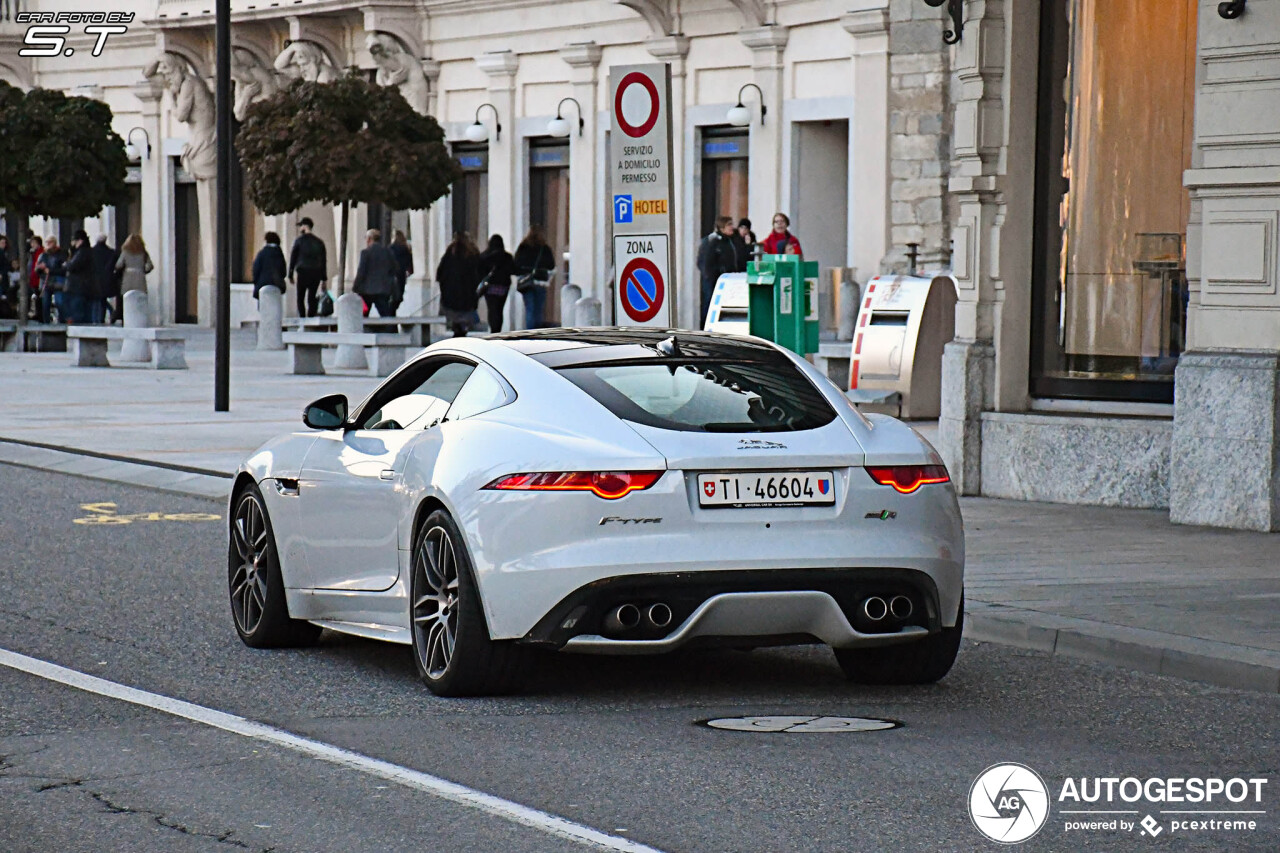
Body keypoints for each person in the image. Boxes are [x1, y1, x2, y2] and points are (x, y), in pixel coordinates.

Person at [435, 233, 481, 337]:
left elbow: (440, 274)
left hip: (450, 293)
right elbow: (479, 272)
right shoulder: (472, 254)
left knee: (454, 313)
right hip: (467, 293)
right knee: (464, 313)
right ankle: (462, 329)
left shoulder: (449, 255)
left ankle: (457, 328)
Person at [696, 216, 737, 327]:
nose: (732, 227)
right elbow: (704, 263)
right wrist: (713, 275)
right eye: (729, 225)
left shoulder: (729, 241)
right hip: (714, 281)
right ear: (722, 227)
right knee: (710, 305)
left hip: (728, 280)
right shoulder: (712, 241)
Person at [513, 225, 555, 330]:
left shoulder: (523, 247)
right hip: (540, 281)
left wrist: (524, 271)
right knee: (539, 309)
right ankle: (537, 331)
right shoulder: (544, 248)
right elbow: (551, 265)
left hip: (526, 281)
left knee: (530, 308)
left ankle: (529, 331)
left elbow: (516, 265)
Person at [352, 228, 399, 318]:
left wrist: (355, 287)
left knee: (362, 315)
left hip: (367, 291)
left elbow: (361, 271)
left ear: (369, 239)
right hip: (383, 289)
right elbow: (395, 268)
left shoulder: (366, 253)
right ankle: (389, 331)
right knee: (386, 315)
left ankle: (361, 331)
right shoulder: (388, 252)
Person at [289, 217, 328, 318]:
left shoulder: (299, 241)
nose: (300, 228)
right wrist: (324, 278)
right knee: (312, 296)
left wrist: (290, 273)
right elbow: (323, 261)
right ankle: (311, 316)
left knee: (300, 297)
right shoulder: (319, 242)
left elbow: (293, 257)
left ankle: (302, 317)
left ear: (305, 226)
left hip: (302, 272)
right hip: (316, 273)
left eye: (301, 226)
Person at [476, 234, 514, 333]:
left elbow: (479, 271)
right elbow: (512, 270)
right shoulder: (507, 257)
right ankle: (497, 329)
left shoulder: (484, 256)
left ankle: (493, 329)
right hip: (503, 287)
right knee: (499, 309)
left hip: (490, 287)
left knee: (492, 308)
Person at [63, 230, 94, 325]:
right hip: (84, 286)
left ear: (80, 241)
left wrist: (66, 264)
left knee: (78, 314)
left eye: (74, 241)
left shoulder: (82, 252)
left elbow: (71, 266)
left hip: (78, 287)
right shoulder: (87, 251)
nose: (72, 243)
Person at [35, 236, 66, 324]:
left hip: (57, 282)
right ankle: (46, 322)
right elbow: (37, 270)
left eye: (50, 242)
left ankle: (62, 321)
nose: (48, 244)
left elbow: (64, 269)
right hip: (46, 282)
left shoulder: (61, 254)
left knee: (59, 302)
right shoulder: (43, 255)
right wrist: (40, 268)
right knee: (45, 304)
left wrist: (51, 271)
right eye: (47, 242)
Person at [115, 233, 153, 300]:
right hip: (140, 276)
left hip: (128, 277)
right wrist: (143, 270)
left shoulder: (125, 252)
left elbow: (119, 264)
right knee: (140, 298)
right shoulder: (143, 253)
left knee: (127, 298)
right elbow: (150, 266)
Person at [90, 235, 118, 324]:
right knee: (102, 299)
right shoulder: (111, 252)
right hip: (107, 278)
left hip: (95, 278)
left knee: (97, 300)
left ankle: (97, 318)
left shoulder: (91, 251)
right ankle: (103, 316)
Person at [252, 232, 288, 299]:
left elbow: (256, 269)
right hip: (277, 286)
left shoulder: (262, 253)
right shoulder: (280, 255)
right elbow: (283, 272)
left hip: (262, 285)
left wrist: (256, 282)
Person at [388, 230, 413, 316]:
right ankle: (392, 315)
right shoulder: (406, 250)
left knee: (392, 299)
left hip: (393, 277)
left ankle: (391, 320)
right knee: (398, 298)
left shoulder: (390, 249)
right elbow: (410, 266)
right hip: (401, 276)